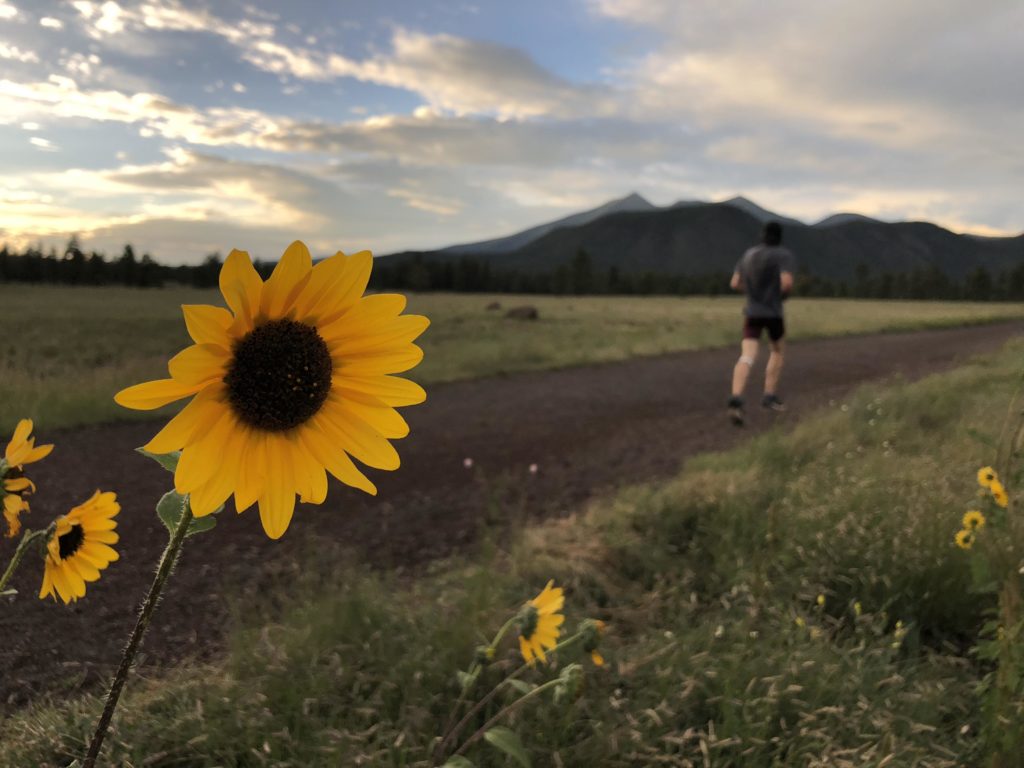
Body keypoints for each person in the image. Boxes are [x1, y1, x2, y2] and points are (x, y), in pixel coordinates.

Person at [727, 221, 795, 426]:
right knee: (777, 351)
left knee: (747, 355)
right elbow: (786, 283)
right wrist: (778, 296)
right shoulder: (783, 255)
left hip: (752, 312)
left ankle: (736, 397)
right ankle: (769, 395)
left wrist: (753, 293)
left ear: (762, 236)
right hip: (773, 312)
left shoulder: (748, 255)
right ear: (779, 236)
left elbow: (735, 283)